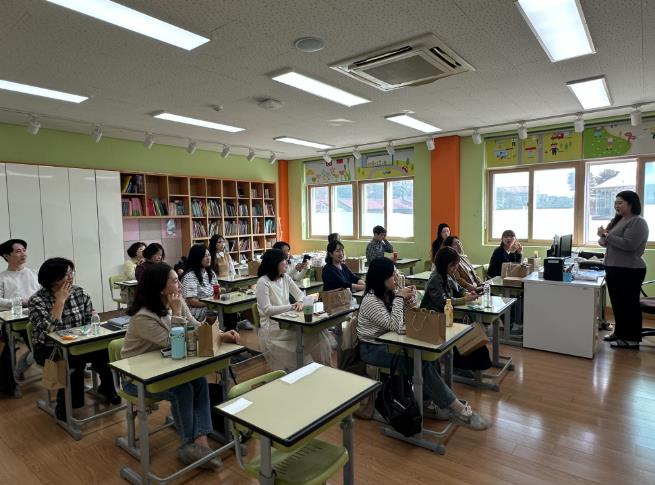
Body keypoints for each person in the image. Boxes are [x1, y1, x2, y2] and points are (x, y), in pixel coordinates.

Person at [121, 262, 239, 469]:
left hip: (167, 367)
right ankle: (188, 443)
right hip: (139, 378)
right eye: (175, 281)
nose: (180, 285)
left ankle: (200, 441)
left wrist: (220, 335)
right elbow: (173, 342)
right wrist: (176, 311)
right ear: (160, 288)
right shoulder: (142, 316)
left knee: (199, 382)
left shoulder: (176, 301)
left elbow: (196, 326)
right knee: (183, 390)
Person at [357, 257, 490, 430]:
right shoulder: (371, 300)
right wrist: (399, 297)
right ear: (381, 277)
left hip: (391, 342)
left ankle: (429, 403)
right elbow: (395, 325)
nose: (395, 278)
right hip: (372, 348)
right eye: (392, 275)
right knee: (419, 362)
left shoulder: (387, 294)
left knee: (429, 357)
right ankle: (457, 408)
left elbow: (403, 319)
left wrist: (409, 303)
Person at [29, 257, 120, 420]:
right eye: (66, 274)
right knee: (73, 363)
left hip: (79, 343)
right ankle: (66, 405)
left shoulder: (79, 292)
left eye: (71, 272)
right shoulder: (37, 300)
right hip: (49, 349)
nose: (71, 277)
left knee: (106, 353)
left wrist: (93, 321)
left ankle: (107, 388)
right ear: (53, 279)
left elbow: (89, 320)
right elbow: (49, 329)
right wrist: (60, 301)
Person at [256, 248, 334, 371]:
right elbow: (267, 310)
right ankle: (314, 369)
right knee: (312, 335)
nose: (287, 263)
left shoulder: (285, 278)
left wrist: (301, 302)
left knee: (318, 332)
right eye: (284, 260)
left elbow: (301, 295)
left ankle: (324, 369)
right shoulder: (263, 282)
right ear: (275, 263)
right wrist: (292, 306)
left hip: (288, 320)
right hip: (273, 327)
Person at [421, 247, 492, 373]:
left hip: (446, 314)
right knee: (464, 333)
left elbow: (459, 288)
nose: (455, 268)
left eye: (456, 265)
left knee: (469, 330)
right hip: (433, 318)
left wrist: (466, 293)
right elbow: (442, 301)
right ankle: (461, 367)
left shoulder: (448, 274)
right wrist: (464, 299)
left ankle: (467, 366)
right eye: (452, 265)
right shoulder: (436, 278)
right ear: (443, 264)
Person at [598, 190, 649, 349]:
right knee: (618, 305)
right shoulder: (618, 220)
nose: (616, 206)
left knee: (629, 305)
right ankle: (620, 333)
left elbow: (629, 245)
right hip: (614, 268)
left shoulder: (638, 222)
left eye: (620, 203)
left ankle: (632, 339)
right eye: (615, 203)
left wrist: (608, 236)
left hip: (630, 269)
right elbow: (604, 243)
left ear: (631, 204)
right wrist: (602, 235)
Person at [0, 239, 41, 393]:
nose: (23, 254)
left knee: (48, 343)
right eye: (18, 251)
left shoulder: (33, 273)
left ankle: (72, 366)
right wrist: (20, 302)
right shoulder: (3, 277)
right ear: (6, 256)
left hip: (37, 316)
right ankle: (12, 381)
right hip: (15, 321)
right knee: (36, 346)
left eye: (24, 250)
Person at [181, 245, 218, 322]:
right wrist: (210, 303)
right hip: (196, 310)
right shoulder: (190, 276)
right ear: (197, 258)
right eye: (205, 256)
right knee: (219, 311)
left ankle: (230, 326)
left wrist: (218, 293)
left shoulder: (211, 273)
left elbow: (216, 290)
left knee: (227, 307)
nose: (208, 258)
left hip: (211, 305)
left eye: (209, 255)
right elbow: (191, 301)